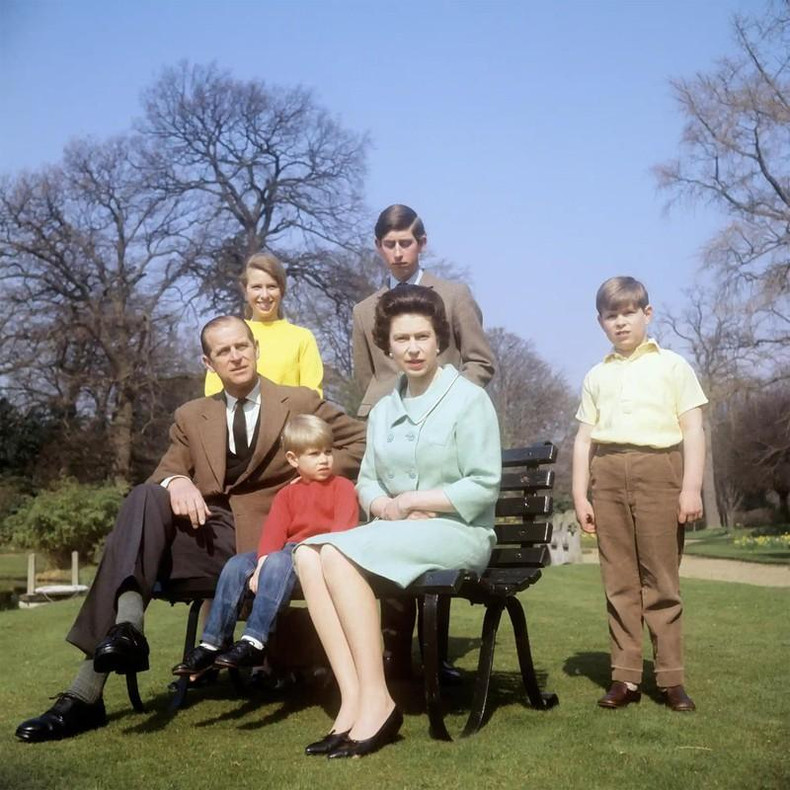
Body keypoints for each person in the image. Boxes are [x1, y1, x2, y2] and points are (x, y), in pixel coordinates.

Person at [15, 316, 365, 743]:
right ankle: (126, 629)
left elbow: (361, 443)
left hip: (272, 546)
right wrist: (177, 481)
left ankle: (84, 693)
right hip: (212, 540)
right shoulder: (191, 415)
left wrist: (311, 469)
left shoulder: (299, 400)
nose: (235, 356)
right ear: (208, 362)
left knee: (137, 535)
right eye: (223, 351)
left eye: (242, 346)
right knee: (145, 497)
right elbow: (165, 471)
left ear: (256, 348)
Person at [294, 285, 501, 758]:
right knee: (308, 554)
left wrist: (417, 500)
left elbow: (484, 484)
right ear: (387, 345)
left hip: (459, 533)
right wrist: (389, 506)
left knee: (338, 554)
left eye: (422, 337)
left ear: (440, 340)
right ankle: (354, 702)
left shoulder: (468, 400)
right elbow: (367, 483)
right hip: (400, 531)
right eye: (401, 338)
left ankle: (380, 702)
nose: (412, 348)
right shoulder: (385, 408)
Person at [351, 204, 497, 679]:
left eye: (405, 242)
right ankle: (392, 658)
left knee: (428, 534)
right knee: (385, 537)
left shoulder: (452, 295)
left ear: (422, 242)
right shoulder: (364, 311)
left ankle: (433, 657)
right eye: (388, 244)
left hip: (444, 429)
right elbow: (368, 379)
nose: (397, 252)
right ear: (378, 248)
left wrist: (449, 405)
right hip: (387, 429)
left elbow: (479, 360)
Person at [571, 276, 707, 713]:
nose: (621, 322)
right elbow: (582, 439)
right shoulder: (596, 375)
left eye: (629, 312)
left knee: (661, 581)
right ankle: (624, 679)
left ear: (647, 314)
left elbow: (693, 429)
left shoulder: (673, 366)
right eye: (611, 315)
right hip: (607, 474)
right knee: (619, 583)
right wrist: (580, 494)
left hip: (659, 471)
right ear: (600, 322)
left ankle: (670, 679)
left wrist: (690, 488)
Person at [172, 414, 359, 679]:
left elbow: (342, 534)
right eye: (314, 454)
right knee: (237, 564)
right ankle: (212, 642)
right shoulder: (287, 494)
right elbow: (274, 533)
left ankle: (255, 640)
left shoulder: (342, 487)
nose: (324, 459)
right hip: (283, 553)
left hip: (316, 555)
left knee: (280, 560)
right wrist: (260, 566)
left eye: (328, 452)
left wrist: (274, 561)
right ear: (294, 459)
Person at [205, 252, 324, 397]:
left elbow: (313, 397)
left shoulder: (302, 338)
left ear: (282, 290)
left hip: (290, 419)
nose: (265, 295)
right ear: (245, 290)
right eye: (257, 287)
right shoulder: (230, 336)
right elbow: (214, 396)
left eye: (272, 286)